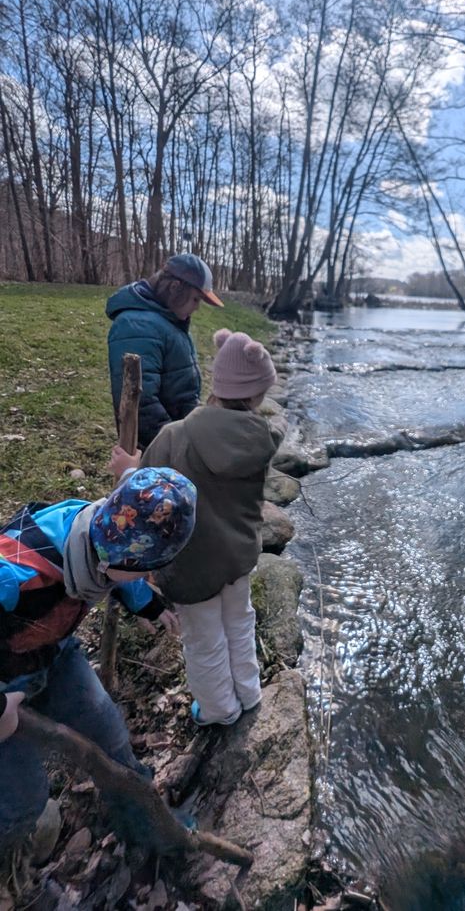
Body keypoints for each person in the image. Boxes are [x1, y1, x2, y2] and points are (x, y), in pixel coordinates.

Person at [0, 468, 197, 854]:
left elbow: (125, 569)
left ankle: (144, 824)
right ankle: (9, 859)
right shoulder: (13, 575)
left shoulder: (100, 532)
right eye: (146, 569)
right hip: (5, 692)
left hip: (52, 658)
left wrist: (148, 605)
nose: (151, 574)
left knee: (110, 738)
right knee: (24, 800)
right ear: (108, 559)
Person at [111, 329, 285, 727]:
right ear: (258, 396)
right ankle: (249, 692)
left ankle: (219, 709)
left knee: (205, 639)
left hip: (193, 562)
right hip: (239, 554)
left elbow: (148, 491)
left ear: (217, 384)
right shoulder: (265, 436)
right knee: (240, 622)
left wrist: (127, 471)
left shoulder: (176, 435)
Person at [106, 254, 224, 450]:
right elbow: (141, 404)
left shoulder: (168, 320)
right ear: (175, 288)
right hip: (158, 447)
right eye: (195, 299)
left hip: (175, 435)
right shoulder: (136, 326)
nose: (197, 308)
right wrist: (178, 445)